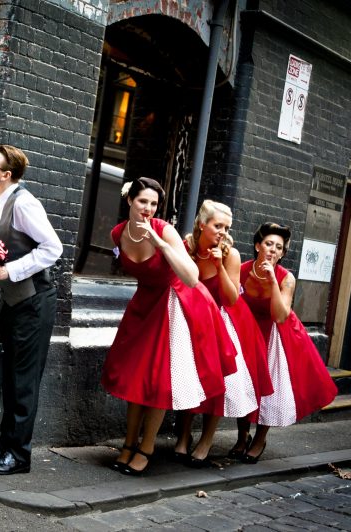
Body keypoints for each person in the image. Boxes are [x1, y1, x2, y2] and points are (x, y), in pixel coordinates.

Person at [100, 178, 236, 475]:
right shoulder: (117, 234)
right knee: (135, 376)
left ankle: (146, 447)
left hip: (176, 302)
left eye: (153, 203)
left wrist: (159, 242)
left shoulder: (165, 230)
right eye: (142, 202)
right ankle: (128, 443)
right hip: (144, 304)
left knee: (159, 379)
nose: (148, 208)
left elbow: (191, 277)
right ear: (130, 202)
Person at [0, 145, 63, 475]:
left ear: (5, 175)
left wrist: (11, 271)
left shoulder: (24, 202)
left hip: (33, 302)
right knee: (11, 378)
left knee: (24, 382)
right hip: (14, 302)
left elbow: (53, 248)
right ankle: (4, 449)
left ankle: (18, 455)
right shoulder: (1, 200)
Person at [172, 200, 273, 467]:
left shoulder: (230, 254)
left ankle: (206, 440)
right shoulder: (186, 247)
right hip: (190, 318)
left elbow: (230, 299)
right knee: (188, 377)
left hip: (219, 320)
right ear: (202, 224)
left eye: (226, 227)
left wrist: (218, 267)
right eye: (218, 226)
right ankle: (182, 437)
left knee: (217, 382)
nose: (222, 232)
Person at [237, 222, 338, 463]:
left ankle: (260, 438)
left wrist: (272, 280)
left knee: (269, 390)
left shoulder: (286, 278)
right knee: (244, 385)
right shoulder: (241, 270)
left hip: (276, 334)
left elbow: (280, 315)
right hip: (247, 332)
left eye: (278, 247)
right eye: (268, 244)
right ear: (257, 245)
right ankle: (242, 436)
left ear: (282, 254)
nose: (272, 250)